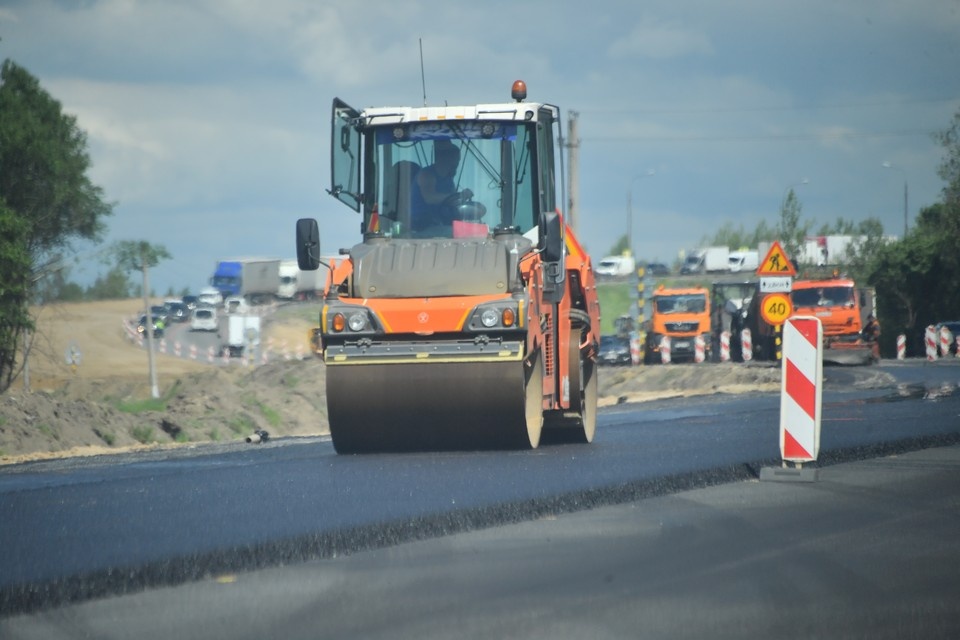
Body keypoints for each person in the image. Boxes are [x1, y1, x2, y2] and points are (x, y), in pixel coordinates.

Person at [411, 139, 473, 230]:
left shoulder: (448, 180)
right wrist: (458, 195)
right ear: (445, 158)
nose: (456, 165)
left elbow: (451, 203)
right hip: (421, 225)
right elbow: (430, 198)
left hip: (439, 223)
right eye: (455, 161)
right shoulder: (426, 174)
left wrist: (464, 200)